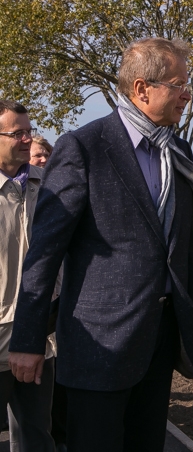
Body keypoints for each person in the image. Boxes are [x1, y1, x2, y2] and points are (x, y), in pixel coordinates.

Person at [8, 37, 193, 452]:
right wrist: (28, 340)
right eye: (179, 85)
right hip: (98, 347)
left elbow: (183, 248)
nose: (188, 95)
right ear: (142, 89)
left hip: (159, 340)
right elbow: (44, 252)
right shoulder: (83, 147)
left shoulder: (178, 149)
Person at [0, 100, 55, 452]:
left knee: (37, 432)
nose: (26, 139)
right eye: (16, 132)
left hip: (39, 333)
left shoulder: (50, 186)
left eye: (28, 131)